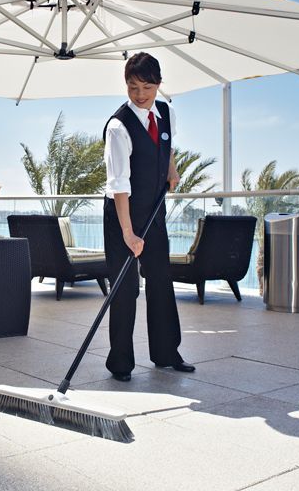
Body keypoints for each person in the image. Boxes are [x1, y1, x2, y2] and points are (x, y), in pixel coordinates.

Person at [102, 52, 195, 382]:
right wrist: (129, 234)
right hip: (122, 217)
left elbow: (167, 146)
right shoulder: (118, 127)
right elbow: (119, 185)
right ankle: (120, 363)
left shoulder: (166, 113)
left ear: (159, 85)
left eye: (147, 87)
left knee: (161, 280)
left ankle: (167, 353)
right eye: (133, 87)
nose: (140, 95)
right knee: (125, 289)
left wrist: (171, 168)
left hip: (154, 213)